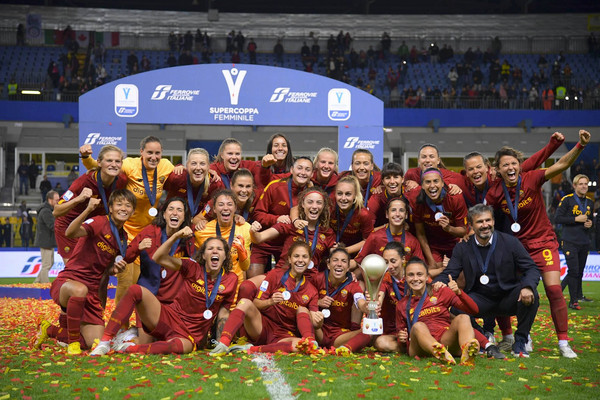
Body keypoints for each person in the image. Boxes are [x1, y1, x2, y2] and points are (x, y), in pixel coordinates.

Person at [485, 130, 591, 358]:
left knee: (554, 290)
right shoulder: (494, 192)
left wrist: (580, 146)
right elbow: (485, 215)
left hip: (543, 242)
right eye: (505, 165)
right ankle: (524, 336)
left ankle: (563, 342)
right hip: (517, 249)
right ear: (498, 170)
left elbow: (561, 164)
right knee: (521, 293)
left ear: (519, 166)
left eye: (513, 163)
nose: (510, 167)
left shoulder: (532, 178)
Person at [91, 233, 238, 355]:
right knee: (136, 290)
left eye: (219, 249)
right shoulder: (192, 267)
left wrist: (221, 343)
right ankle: (105, 342)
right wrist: (176, 236)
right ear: (204, 255)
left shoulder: (231, 279)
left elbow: (223, 314)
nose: (214, 251)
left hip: (190, 335)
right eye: (210, 248)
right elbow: (159, 258)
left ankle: (129, 348)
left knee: (178, 348)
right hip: (169, 316)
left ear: (225, 256)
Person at [32, 189, 135, 355]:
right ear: (110, 207)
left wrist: (114, 269)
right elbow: (70, 232)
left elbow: (106, 268)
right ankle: (72, 343)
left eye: (128, 205)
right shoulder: (99, 221)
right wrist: (87, 209)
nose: (124, 208)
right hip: (69, 282)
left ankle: (49, 329)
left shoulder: (123, 237)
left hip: (92, 292)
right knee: (80, 289)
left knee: (91, 342)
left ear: (133, 211)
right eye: (119, 204)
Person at [434, 204, 541, 358]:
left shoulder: (510, 242)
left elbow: (531, 268)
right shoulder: (462, 247)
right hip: (479, 299)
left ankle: (520, 341)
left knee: (532, 295)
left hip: (507, 296)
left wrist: (528, 287)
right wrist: (438, 283)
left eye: (488, 220)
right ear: (470, 225)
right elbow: (450, 272)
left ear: (493, 221)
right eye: (479, 222)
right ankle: (483, 335)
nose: (485, 225)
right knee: (456, 308)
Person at [80, 136, 175, 303]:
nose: (154, 157)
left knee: (139, 282)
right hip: (126, 232)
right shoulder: (130, 164)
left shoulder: (166, 166)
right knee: (125, 280)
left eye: (157, 153)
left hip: (148, 234)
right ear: (141, 152)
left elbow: (186, 176)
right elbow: (98, 166)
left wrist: (187, 169)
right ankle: (118, 325)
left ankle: (132, 323)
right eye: (149, 152)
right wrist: (86, 158)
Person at [210, 241, 319, 355]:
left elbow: (315, 322)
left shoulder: (312, 291)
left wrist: (318, 320)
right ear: (290, 259)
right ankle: (223, 343)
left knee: (303, 344)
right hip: (262, 327)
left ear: (309, 261)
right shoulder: (275, 275)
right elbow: (256, 303)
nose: (300, 260)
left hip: (285, 335)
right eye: (296, 256)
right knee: (245, 302)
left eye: (304, 257)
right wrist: (271, 301)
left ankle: (252, 349)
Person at [122, 197, 196, 345]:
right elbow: (127, 257)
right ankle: (127, 337)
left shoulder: (187, 239)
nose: (175, 213)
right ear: (163, 214)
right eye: (171, 209)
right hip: (148, 296)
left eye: (179, 210)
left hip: (172, 302)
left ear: (184, 218)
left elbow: (194, 267)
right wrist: (138, 247)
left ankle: (136, 332)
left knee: (169, 341)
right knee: (145, 343)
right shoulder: (150, 231)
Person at [397, 258, 480, 365]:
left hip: (444, 339)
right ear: (405, 278)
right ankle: (437, 350)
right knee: (418, 326)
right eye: (411, 275)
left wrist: (459, 292)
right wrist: (401, 338)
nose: (415, 278)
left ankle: (467, 350)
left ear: (427, 277)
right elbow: (401, 340)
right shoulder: (402, 304)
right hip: (419, 346)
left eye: (419, 274)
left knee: (463, 317)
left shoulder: (440, 291)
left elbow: (474, 310)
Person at [54, 145, 127, 263]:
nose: (114, 164)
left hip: (93, 227)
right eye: (109, 160)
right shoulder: (83, 182)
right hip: (68, 225)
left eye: (117, 161)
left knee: (98, 268)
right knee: (74, 268)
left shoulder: (121, 181)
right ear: (98, 162)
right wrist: (79, 199)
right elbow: (56, 211)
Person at [251, 186, 335, 283]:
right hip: (281, 274)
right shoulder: (291, 225)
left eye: (319, 203)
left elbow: (337, 258)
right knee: (247, 287)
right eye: (310, 202)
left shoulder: (328, 233)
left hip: (308, 282)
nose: (314, 206)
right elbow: (258, 238)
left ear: (324, 206)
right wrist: (253, 232)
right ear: (303, 204)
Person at [249, 156, 314, 277]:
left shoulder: (312, 193)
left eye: (307, 169)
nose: (303, 172)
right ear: (292, 170)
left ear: (312, 174)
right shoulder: (275, 187)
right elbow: (257, 214)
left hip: (288, 245)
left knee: (282, 282)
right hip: (265, 241)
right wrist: (276, 219)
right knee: (253, 281)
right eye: (299, 168)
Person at [312, 247, 372, 353]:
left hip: (340, 335)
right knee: (304, 311)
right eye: (335, 260)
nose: (339, 264)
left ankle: (345, 349)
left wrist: (366, 306)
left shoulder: (352, 285)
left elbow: (360, 300)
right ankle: (310, 342)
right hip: (318, 330)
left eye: (344, 261)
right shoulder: (317, 279)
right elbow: (304, 302)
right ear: (328, 264)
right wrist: (318, 302)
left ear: (348, 267)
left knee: (368, 332)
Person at [195, 190, 251, 298]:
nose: (225, 208)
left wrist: (241, 250)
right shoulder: (202, 232)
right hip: (210, 289)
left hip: (236, 287)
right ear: (214, 209)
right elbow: (199, 264)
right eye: (221, 204)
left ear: (235, 208)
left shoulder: (245, 228)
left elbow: (245, 266)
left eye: (230, 204)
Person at [413, 168, 468, 273]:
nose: (432, 185)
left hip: (455, 243)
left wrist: (449, 228)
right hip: (434, 246)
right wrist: (431, 261)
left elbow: (463, 231)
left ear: (443, 183)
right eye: (428, 182)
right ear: (422, 186)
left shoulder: (455, 198)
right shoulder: (418, 201)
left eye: (436, 181)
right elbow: (420, 233)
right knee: (433, 271)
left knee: (460, 276)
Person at [555, 174, 593, 309]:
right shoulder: (567, 200)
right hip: (569, 241)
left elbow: (588, 220)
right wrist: (576, 219)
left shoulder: (590, 202)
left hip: (584, 241)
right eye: (581, 184)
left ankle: (571, 294)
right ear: (575, 186)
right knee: (574, 270)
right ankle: (573, 301)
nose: (584, 186)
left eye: (586, 184)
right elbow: (558, 218)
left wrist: (589, 224)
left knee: (579, 271)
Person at [353, 196, 423, 269]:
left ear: (406, 215)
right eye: (393, 210)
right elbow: (358, 262)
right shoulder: (375, 237)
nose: (397, 214)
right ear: (387, 214)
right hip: (382, 279)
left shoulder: (413, 241)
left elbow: (420, 268)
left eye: (401, 210)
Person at [328, 175, 374, 255]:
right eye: (339, 193)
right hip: (333, 249)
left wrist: (344, 250)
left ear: (355, 196)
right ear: (335, 194)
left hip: (355, 253)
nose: (343, 198)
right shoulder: (330, 209)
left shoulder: (363, 214)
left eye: (348, 194)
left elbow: (368, 241)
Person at [374, 242, 406, 352]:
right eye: (386, 262)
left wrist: (439, 284)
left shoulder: (414, 276)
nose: (389, 266)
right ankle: (413, 347)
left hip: (415, 327)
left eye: (393, 261)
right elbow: (379, 299)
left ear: (403, 259)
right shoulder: (384, 279)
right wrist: (375, 306)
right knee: (381, 343)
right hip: (393, 332)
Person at [33, 190, 60, 283]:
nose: (58, 201)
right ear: (50, 200)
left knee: (49, 263)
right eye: (56, 200)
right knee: (46, 265)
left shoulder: (48, 210)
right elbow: (52, 226)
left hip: (48, 241)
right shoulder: (46, 211)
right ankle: (45, 285)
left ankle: (36, 283)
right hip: (45, 241)